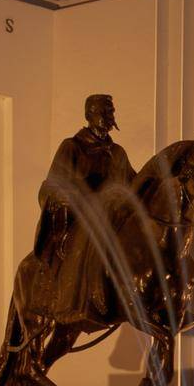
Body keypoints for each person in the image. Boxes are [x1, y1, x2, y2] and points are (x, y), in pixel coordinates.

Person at [32, 93, 137, 321]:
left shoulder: (118, 153)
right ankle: (85, 293)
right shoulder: (72, 147)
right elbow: (54, 184)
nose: (110, 117)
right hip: (81, 218)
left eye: (112, 112)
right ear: (89, 115)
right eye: (105, 112)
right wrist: (78, 197)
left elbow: (134, 185)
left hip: (113, 219)